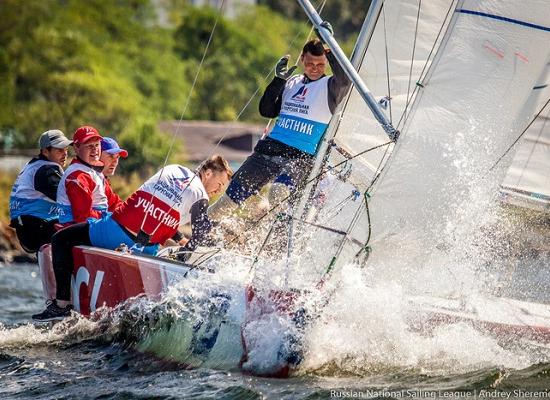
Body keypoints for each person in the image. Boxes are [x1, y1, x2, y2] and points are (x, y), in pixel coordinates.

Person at [32, 155, 232, 321]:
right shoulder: (200, 194)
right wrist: (185, 255)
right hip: (146, 250)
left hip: (113, 232)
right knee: (62, 238)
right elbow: (201, 231)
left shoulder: (173, 169)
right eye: (220, 183)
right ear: (207, 173)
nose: (218, 191)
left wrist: (180, 240)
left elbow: (159, 211)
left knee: (60, 239)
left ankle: (62, 304)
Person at [209, 30, 351, 221]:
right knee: (225, 203)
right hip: (269, 150)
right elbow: (267, 111)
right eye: (309, 63)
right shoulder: (292, 82)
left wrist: (330, 47)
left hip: (300, 157)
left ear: (325, 61)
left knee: (278, 194)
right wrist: (278, 81)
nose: (314, 68)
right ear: (301, 59)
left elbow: (345, 80)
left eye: (319, 64)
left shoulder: (330, 86)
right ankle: (191, 243)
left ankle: (275, 242)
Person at [9, 130, 73, 253]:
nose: (65, 154)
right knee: (84, 229)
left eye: (66, 150)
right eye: (59, 150)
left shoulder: (33, 165)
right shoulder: (46, 169)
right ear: (45, 151)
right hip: (35, 229)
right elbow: (69, 199)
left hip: (27, 229)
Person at [56, 126, 122, 225]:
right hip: (75, 231)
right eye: (89, 146)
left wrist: (132, 212)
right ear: (76, 148)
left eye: (97, 145)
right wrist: (110, 218)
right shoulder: (77, 176)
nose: (94, 149)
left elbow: (113, 203)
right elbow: (83, 217)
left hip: (92, 226)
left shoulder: (94, 172)